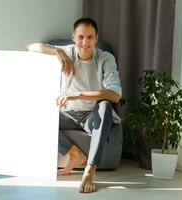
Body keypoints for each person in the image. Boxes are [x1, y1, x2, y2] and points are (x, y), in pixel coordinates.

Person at [27, 18, 122, 193]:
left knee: (105, 106)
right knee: (33, 115)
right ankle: (74, 154)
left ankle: (89, 169)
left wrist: (76, 95)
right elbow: (31, 47)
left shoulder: (105, 58)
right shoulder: (67, 52)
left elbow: (115, 94)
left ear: (96, 38)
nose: (85, 42)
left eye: (90, 37)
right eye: (80, 37)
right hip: (68, 115)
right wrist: (57, 52)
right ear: (73, 37)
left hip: (92, 116)